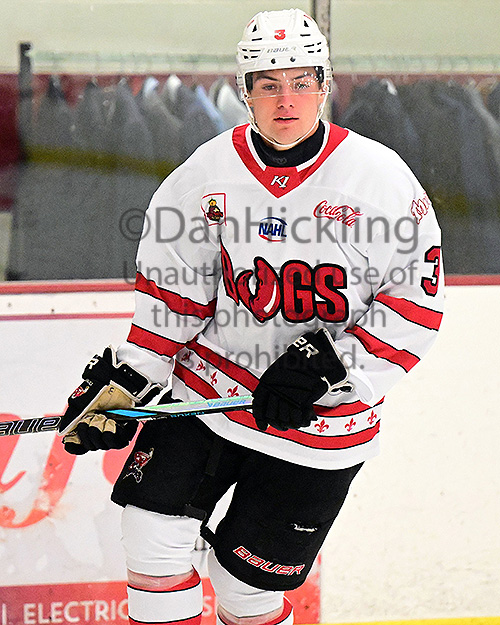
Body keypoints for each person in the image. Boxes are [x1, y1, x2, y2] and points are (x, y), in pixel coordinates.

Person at [59, 8, 444, 625]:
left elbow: (415, 307)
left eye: (300, 82)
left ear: (324, 84)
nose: (286, 100)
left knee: (244, 590)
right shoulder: (205, 175)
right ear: (244, 92)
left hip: (319, 422)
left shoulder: (380, 181)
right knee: (149, 538)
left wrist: (332, 367)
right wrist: (129, 377)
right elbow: (173, 297)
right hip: (208, 395)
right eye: (268, 84)